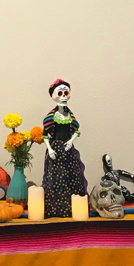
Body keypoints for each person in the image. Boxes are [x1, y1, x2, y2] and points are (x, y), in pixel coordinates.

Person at [42, 79, 87, 218]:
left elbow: (76, 131)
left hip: (68, 150)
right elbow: (45, 135)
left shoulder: (70, 115)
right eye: (60, 93)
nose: (63, 96)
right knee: (56, 179)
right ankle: (56, 209)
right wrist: (50, 149)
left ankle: (74, 208)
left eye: (66, 93)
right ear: (53, 95)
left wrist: (71, 142)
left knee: (72, 177)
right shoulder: (51, 116)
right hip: (56, 149)